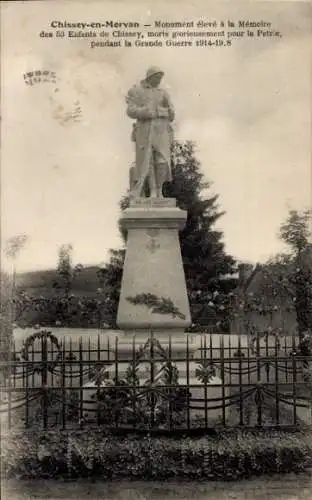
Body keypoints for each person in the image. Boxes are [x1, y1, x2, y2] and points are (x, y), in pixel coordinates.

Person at [126, 66, 175, 198]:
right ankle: (153, 191)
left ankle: (159, 189)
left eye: (161, 78)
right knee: (148, 162)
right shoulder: (137, 91)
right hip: (144, 129)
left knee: (163, 161)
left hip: (161, 130)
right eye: (157, 78)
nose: (159, 80)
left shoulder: (163, 93)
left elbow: (171, 113)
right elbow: (130, 110)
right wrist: (144, 112)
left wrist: (168, 111)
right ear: (150, 77)